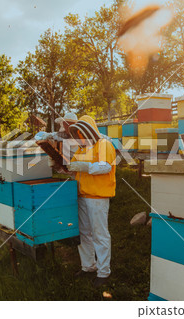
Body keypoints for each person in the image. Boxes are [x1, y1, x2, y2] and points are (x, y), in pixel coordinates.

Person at [67, 115, 116, 288]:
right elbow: (73, 170)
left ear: (88, 130)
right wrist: (64, 167)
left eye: (80, 133)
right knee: (84, 233)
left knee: (99, 234)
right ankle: (88, 266)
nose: (78, 137)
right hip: (82, 195)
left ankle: (103, 272)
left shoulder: (104, 145)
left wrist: (86, 167)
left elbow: (106, 166)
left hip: (98, 197)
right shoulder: (81, 149)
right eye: (77, 135)